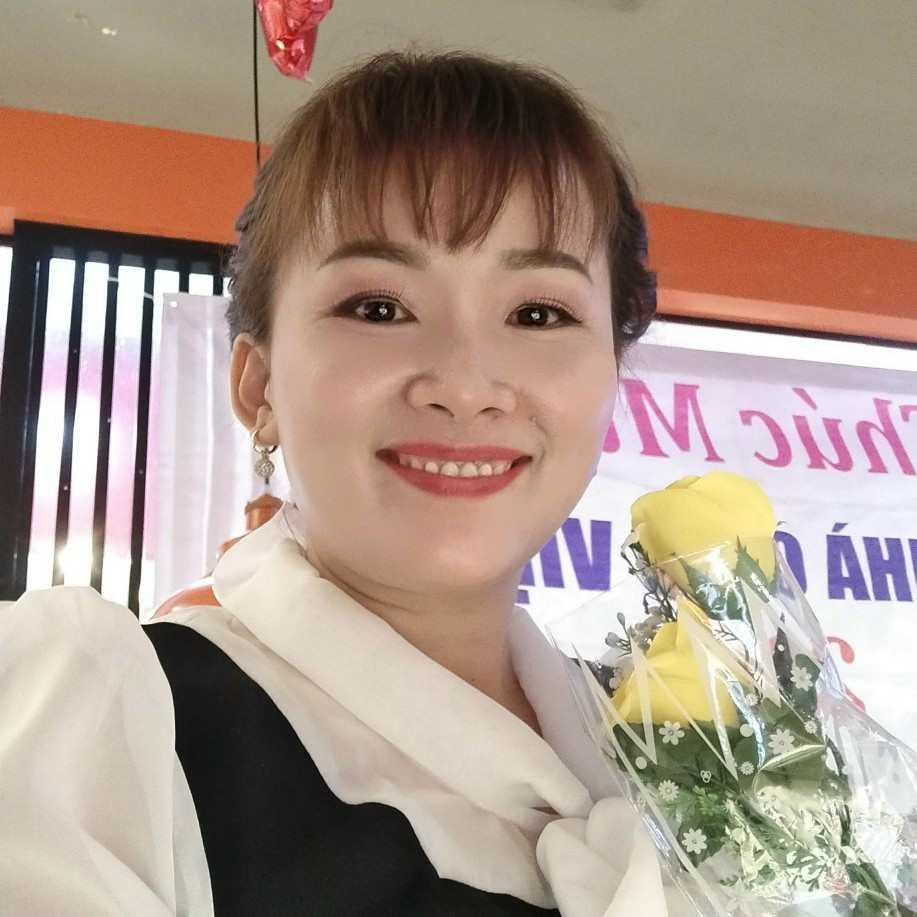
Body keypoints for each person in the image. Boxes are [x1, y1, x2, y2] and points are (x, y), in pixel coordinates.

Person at [0, 51, 692, 915]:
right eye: (378, 307)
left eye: (537, 312)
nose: (464, 383)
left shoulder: (668, 743)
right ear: (258, 386)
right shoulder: (110, 721)